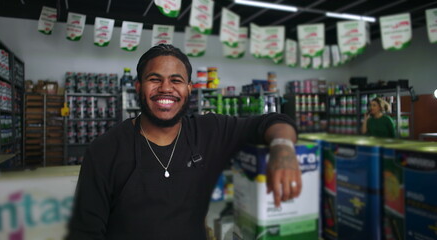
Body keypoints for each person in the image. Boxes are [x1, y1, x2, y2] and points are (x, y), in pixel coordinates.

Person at [66, 44, 300, 239]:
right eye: (154, 79)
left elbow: (274, 121)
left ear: (189, 89)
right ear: (138, 87)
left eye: (176, 80)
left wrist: (283, 148)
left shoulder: (208, 130)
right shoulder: (105, 149)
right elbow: (85, 232)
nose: (166, 88)